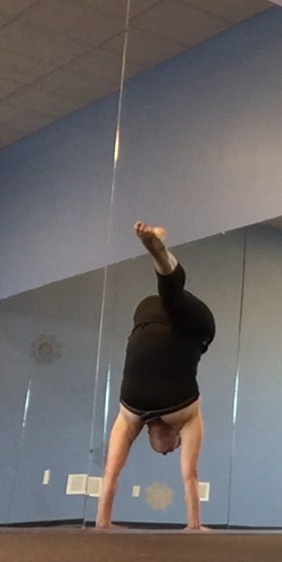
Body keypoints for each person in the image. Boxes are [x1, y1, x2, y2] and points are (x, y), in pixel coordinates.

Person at [95, 222, 215, 532]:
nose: (172, 449)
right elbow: (190, 475)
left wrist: (103, 523)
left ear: (149, 436)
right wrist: (194, 526)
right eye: (175, 448)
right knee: (174, 300)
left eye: (167, 450)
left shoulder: (129, 418)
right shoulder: (185, 418)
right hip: (194, 329)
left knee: (170, 299)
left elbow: (111, 472)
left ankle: (160, 255)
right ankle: (160, 256)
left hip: (147, 318)